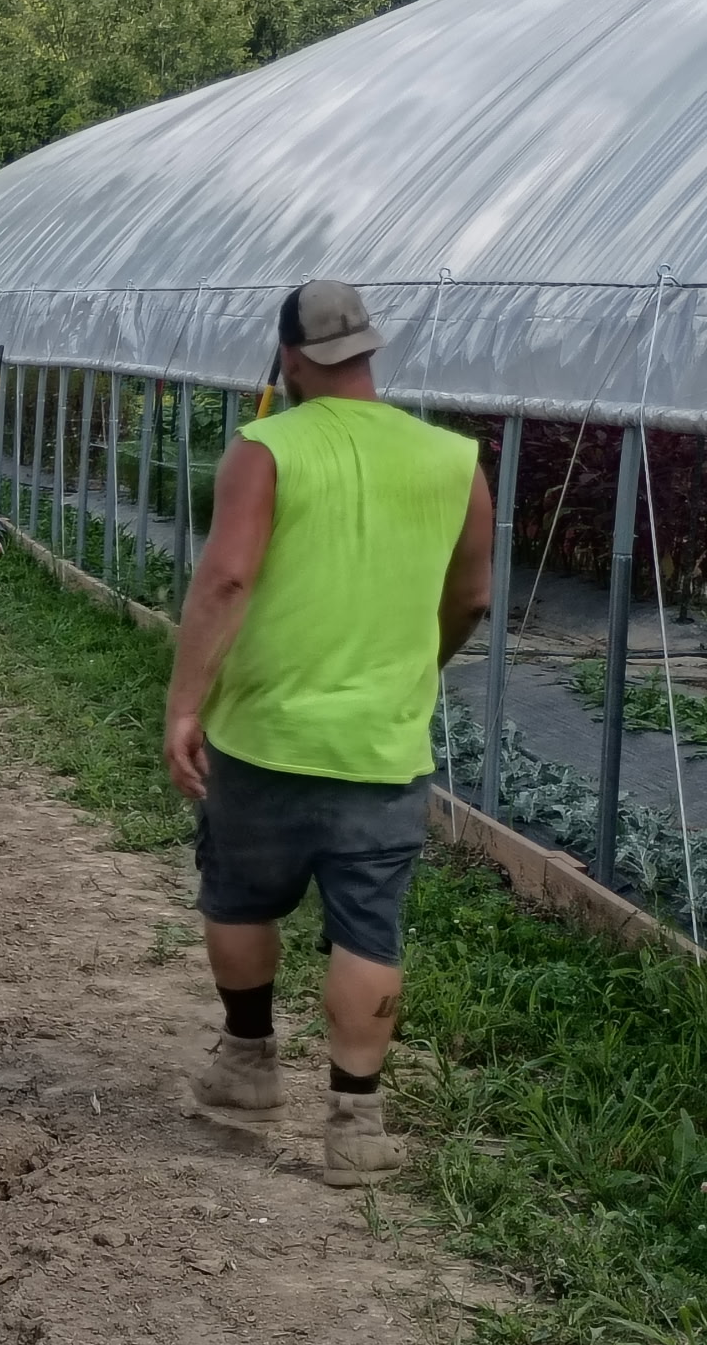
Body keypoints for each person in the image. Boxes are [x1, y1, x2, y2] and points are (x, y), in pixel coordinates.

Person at [162, 280, 493, 1188]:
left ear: (292, 359)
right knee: (369, 927)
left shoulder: (265, 448)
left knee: (238, 895)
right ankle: (356, 1125)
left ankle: (247, 1064)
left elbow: (227, 581)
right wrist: (418, 663)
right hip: (383, 745)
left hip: (264, 733)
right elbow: (471, 597)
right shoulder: (453, 459)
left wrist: (186, 706)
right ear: (370, 351)